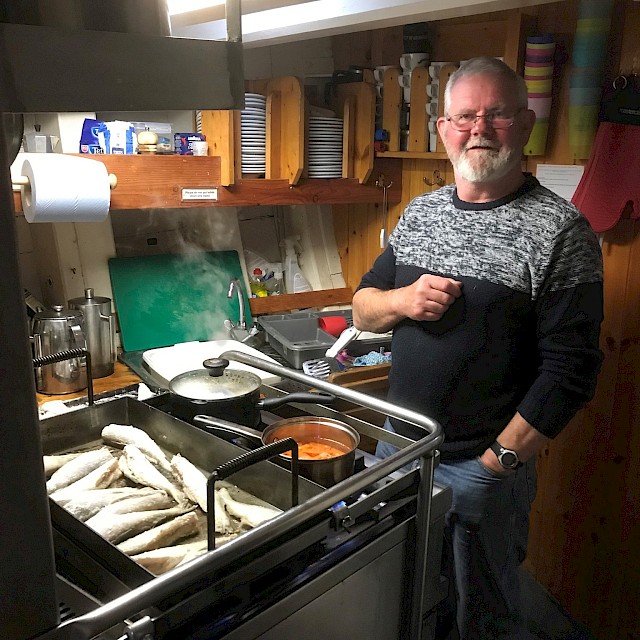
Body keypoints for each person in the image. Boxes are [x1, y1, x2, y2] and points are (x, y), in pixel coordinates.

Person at [352, 56, 603, 639]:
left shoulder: (562, 231)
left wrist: (499, 463)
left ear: (525, 123)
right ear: (444, 129)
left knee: (482, 614)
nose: (479, 129)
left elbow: (572, 370)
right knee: (401, 592)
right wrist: (403, 301)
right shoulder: (421, 213)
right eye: (464, 116)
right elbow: (364, 305)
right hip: (397, 456)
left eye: (496, 115)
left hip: (480, 467)